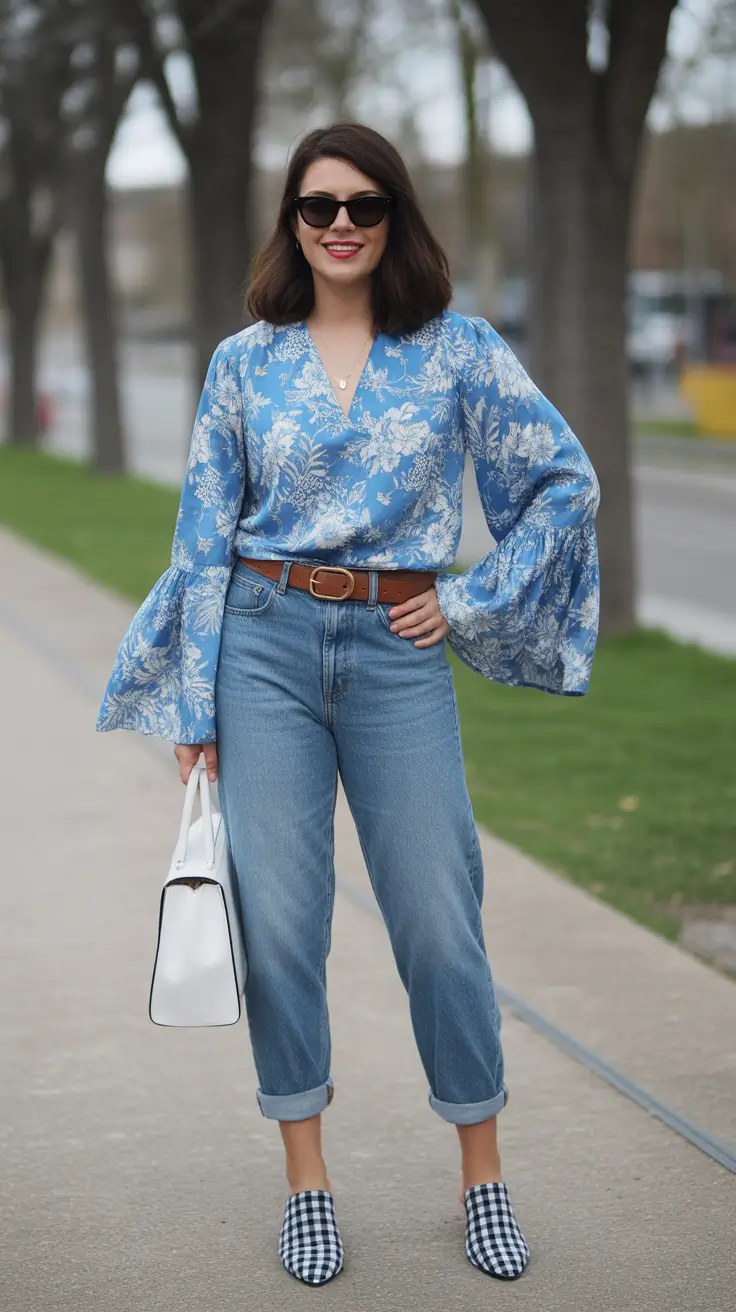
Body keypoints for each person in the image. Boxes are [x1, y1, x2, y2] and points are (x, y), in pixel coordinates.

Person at [97, 121, 600, 1287]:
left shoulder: (457, 351)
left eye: (362, 206)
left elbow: (562, 483)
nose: (338, 225)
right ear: (290, 220)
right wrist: (194, 698)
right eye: (317, 206)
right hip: (262, 647)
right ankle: (307, 1181)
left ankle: (481, 1173)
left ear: (394, 220)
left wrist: (470, 603)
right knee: (278, 929)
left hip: (395, 650)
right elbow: (202, 539)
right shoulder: (241, 363)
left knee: (437, 917)